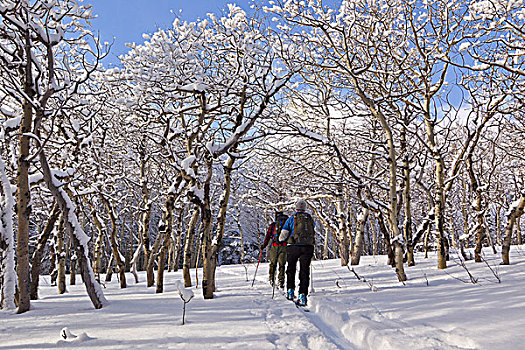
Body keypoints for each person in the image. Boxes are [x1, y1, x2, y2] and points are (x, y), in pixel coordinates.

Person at [279, 199, 315, 306]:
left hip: (293, 247)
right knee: (304, 271)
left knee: (291, 269)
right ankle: (302, 295)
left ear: (296, 208)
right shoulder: (309, 219)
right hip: (308, 247)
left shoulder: (291, 219)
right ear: (305, 208)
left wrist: (281, 240)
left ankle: (290, 291)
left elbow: (283, 235)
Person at [262, 211, 289, 289]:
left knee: (273, 263)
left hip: (274, 246)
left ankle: (272, 279)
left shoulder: (273, 225)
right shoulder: (286, 225)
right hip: (284, 246)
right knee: (282, 264)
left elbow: (268, 236)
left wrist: (264, 245)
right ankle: (281, 281)